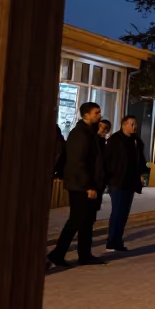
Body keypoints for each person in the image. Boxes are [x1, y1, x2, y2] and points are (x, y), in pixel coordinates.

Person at [48, 102, 107, 266]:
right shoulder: (80, 134)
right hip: (80, 185)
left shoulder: (89, 133)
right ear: (86, 115)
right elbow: (78, 162)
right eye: (96, 113)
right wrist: (88, 186)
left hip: (85, 184)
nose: (99, 115)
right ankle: (57, 254)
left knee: (86, 221)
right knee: (76, 219)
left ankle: (84, 254)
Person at [103, 115, 148, 252]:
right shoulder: (115, 140)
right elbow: (108, 160)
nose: (134, 127)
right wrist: (109, 178)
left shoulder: (136, 141)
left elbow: (140, 159)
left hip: (130, 181)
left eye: (135, 124)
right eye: (131, 124)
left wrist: (142, 173)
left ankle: (118, 240)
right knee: (117, 211)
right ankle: (111, 241)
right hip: (117, 181)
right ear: (123, 125)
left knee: (124, 212)